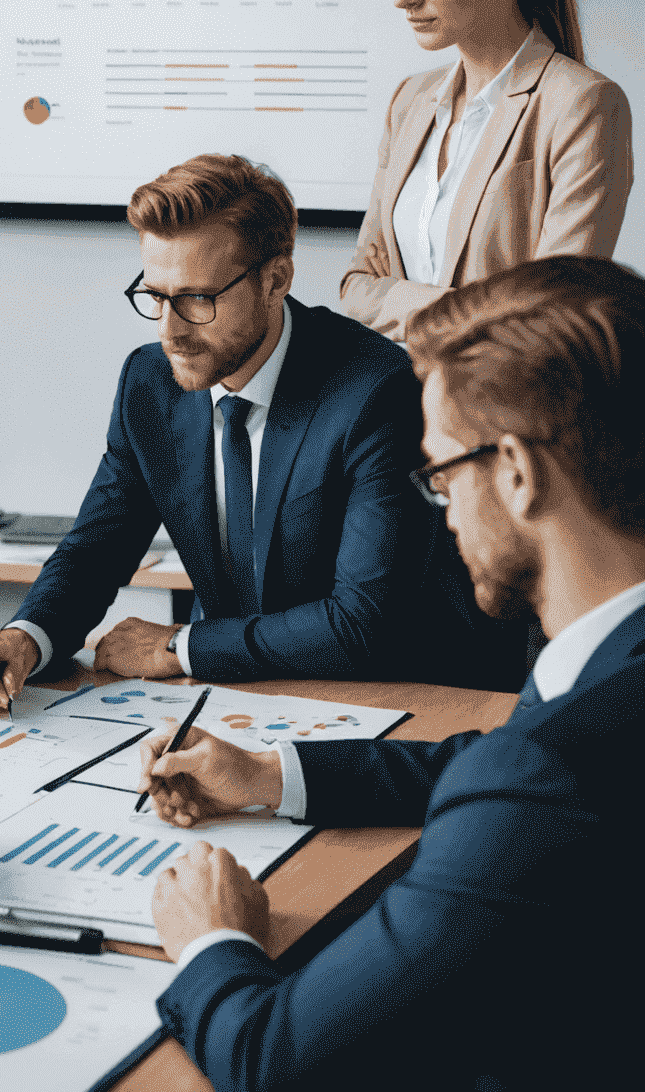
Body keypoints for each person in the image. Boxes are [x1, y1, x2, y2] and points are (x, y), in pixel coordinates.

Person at [137, 255, 643, 1090]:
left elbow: (276, 1060)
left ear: (516, 472)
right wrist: (270, 772)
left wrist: (209, 937)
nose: (441, 513)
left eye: (442, 474)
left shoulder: (545, 777)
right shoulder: (601, 687)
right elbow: (500, 762)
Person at [0, 154, 523, 714]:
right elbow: (98, 547)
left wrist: (180, 646)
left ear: (276, 280)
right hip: (238, 703)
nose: (171, 331)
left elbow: (361, 621)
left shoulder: (374, 390)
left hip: (403, 701)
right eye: (155, 296)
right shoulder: (149, 383)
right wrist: (27, 638)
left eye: (197, 299)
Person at [342, 0, 632, 341]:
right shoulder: (409, 101)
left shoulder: (581, 105)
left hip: (500, 412)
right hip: (388, 404)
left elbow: (550, 318)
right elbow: (354, 288)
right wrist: (470, 309)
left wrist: (401, 303)